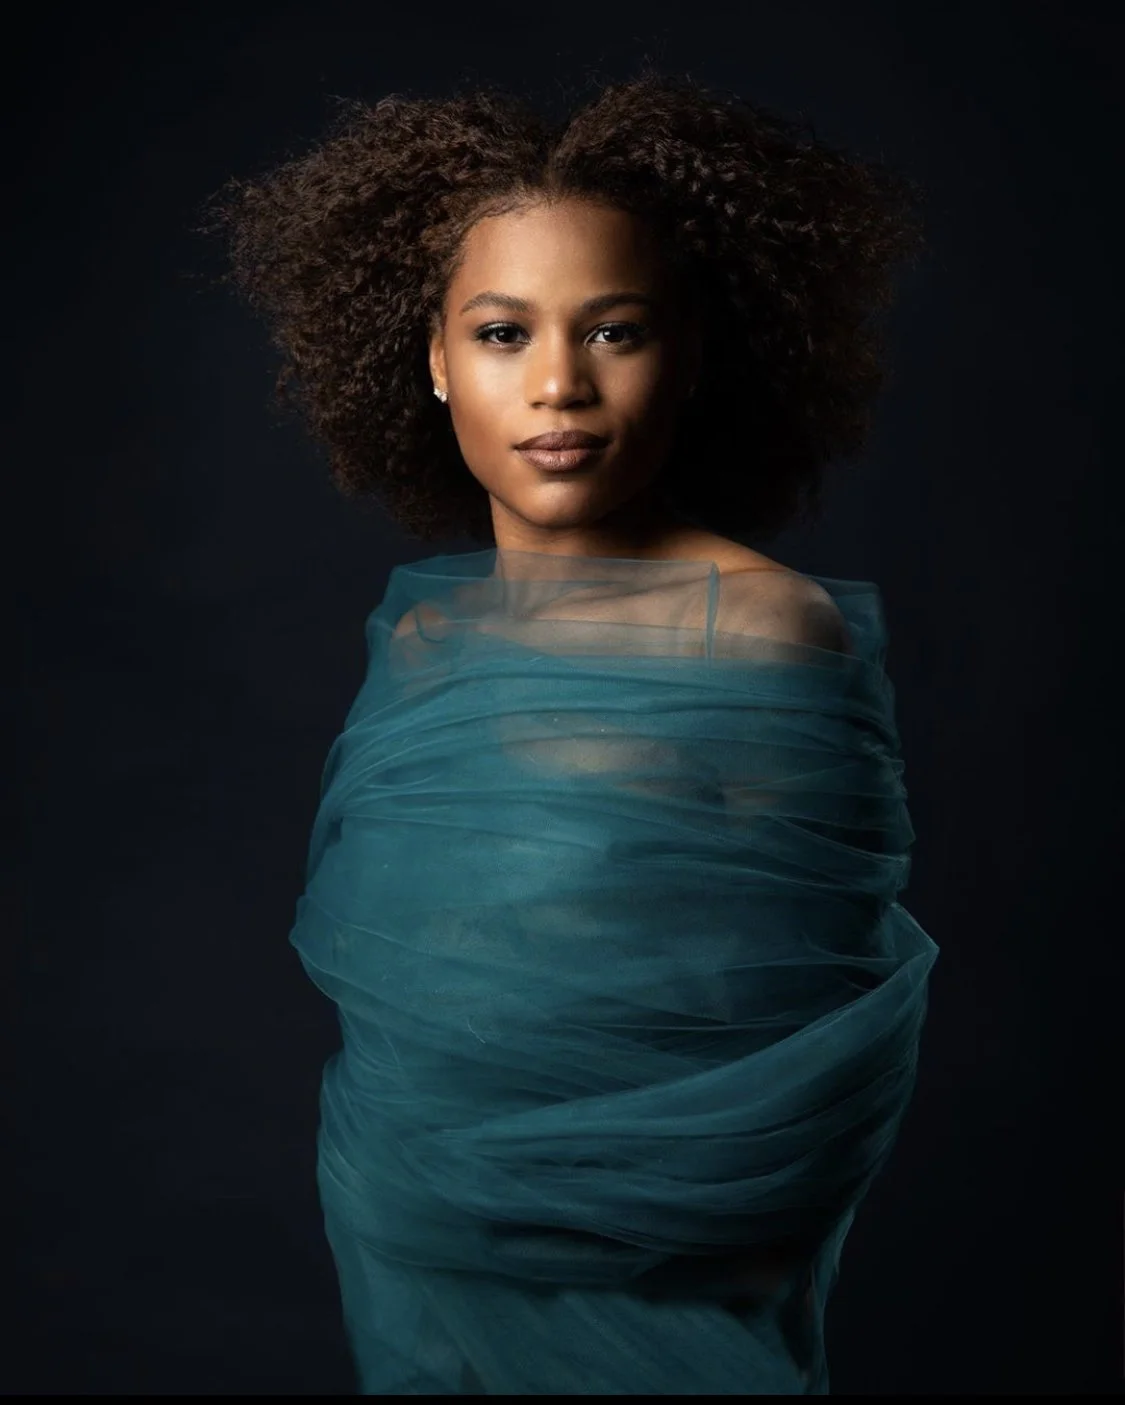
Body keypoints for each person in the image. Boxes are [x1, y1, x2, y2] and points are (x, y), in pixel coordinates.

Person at [211, 68, 938, 1394]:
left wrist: (584, 1215)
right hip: (410, 1273)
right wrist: (435, 1196)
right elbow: (402, 1034)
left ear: (690, 355)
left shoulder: (765, 637)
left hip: (668, 1309)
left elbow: (818, 1073)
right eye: (501, 334)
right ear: (429, 359)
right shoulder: (422, 647)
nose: (557, 385)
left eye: (613, 331)